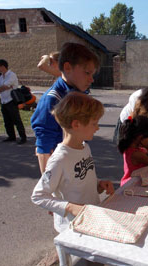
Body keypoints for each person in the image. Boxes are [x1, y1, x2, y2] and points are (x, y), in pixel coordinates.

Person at [31, 91, 114, 266]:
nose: (98, 127)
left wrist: (98, 184)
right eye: (95, 123)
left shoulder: (85, 147)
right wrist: (69, 207)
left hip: (91, 219)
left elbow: (81, 177)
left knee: (95, 264)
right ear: (77, 124)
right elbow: (39, 196)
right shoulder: (59, 158)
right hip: (73, 228)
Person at [31, 42, 98, 174]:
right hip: (60, 167)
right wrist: (49, 186)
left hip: (77, 159)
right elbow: (44, 146)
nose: (91, 79)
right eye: (87, 73)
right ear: (67, 67)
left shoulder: (79, 93)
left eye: (92, 74)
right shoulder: (53, 99)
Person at [118, 115, 148, 186]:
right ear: (140, 137)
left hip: (132, 182)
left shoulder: (132, 148)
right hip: (131, 185)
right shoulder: (137, 154)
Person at [0, 59, 27, 144]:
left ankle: (23, 137)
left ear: (2, 66)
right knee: (7, 120)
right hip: (3, 101)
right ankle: (11, 136)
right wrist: (3, 88)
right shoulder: (1, 76)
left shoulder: (11, 75)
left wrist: (3, 88)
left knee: (16, 120)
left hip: (11, 100)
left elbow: (5, 86)